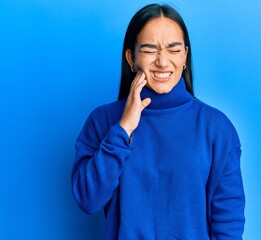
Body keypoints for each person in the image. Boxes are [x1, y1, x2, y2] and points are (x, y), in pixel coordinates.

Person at [71, 3, 245, 239]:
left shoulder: (216, 128)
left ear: (185, 55)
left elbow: (228, 220)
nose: (163, 62)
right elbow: (87, 199)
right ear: (131, 57)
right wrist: (123, 129)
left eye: (173, 50)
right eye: (150, 50)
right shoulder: (103, 121)